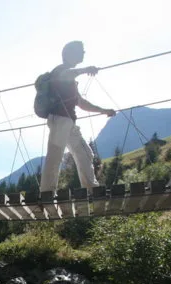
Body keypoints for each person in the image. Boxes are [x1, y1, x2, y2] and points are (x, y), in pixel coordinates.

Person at [40, 41, 115, 193]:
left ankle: (91, 189)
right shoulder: (60, 71)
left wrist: (103, 110)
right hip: (59, 120)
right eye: (81, 51)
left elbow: (80, 102)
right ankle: (47, 193)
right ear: (69, 53)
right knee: (55, 155)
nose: (84, 53)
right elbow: (65, 74)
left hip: (68, 122)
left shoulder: (70, 80)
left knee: (85, 152)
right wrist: (86, 69)